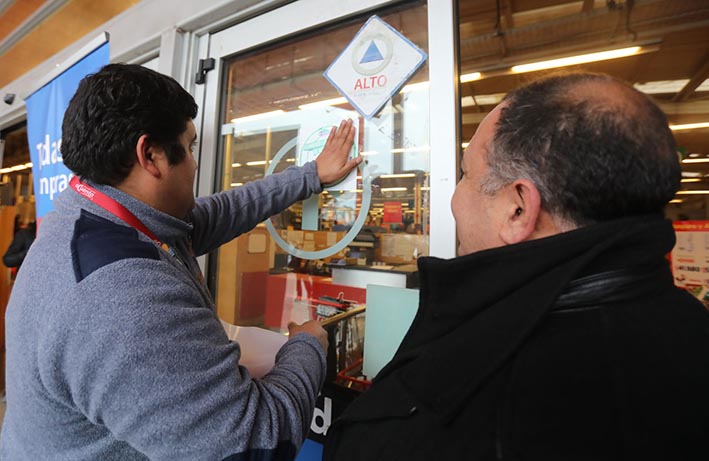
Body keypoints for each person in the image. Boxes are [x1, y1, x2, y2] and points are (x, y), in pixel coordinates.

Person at [324, 73, 709, 460]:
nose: (454, 198)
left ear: (518, 209)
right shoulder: (691, 327)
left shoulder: (454, 407)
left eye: (465, 174)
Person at [1, 64, 360, 459]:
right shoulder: (121, 295)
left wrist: (310, 176)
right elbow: (256, 443)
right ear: (150, 155)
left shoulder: (97, 220)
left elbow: (223, 211)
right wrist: (307, 346)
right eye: (189, 147)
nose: (194, 162)